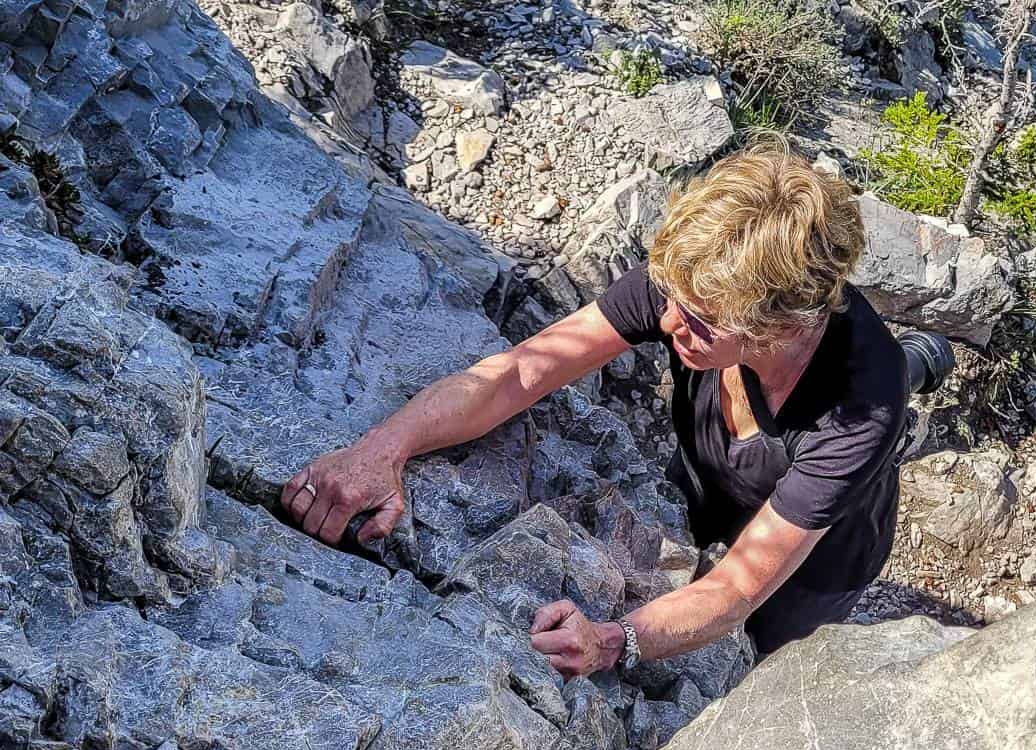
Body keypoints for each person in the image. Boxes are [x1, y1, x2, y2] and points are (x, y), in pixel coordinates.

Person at [280, 146, 953, 679]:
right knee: (704, 514)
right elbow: (521, 372)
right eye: (668, 298)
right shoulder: (696, 281)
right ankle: (925, 357)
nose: (664, 322)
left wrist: (610, 642)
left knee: (763, 652)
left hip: (822, 558)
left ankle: (916, 364)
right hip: (710, 464)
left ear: (775, 328)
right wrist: (384, 448)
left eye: (694, 322)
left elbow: (742, 586)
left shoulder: (857, 411)